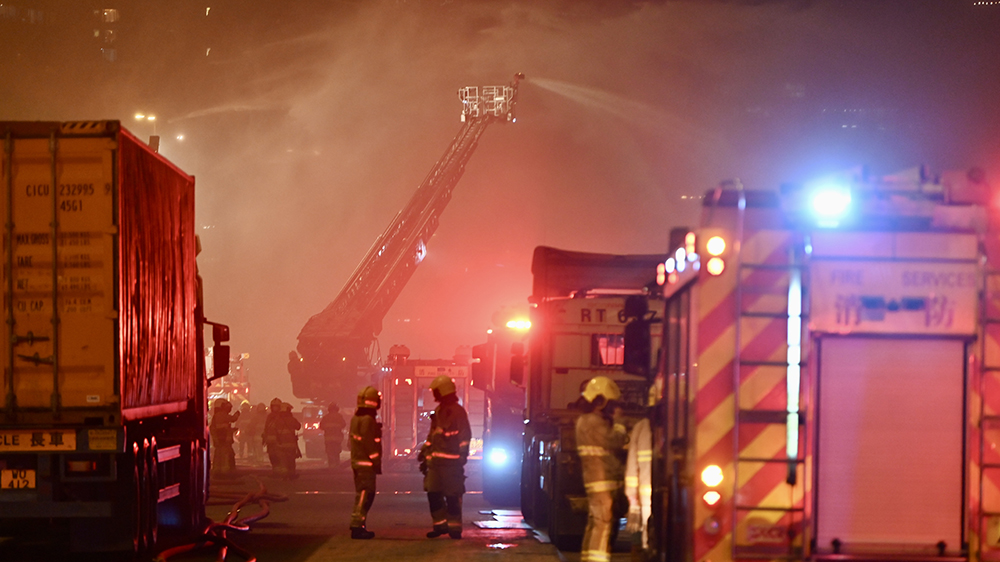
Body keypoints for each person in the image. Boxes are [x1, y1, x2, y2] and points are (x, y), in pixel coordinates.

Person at [576, 376, 628, 562]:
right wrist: (620, 423)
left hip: (600, 484)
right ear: (600, 401)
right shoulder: (592, 422)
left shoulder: (587, 421)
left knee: (597, 525)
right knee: (603, 525)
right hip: (601, 485)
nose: (613, 408)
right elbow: (615, 441)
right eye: (611, 403)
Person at [420, 375, 472, 540]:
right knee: (433, 493)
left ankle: (454, 529)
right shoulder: (438, 411)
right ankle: (439, 525)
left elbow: (465, 436)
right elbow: (433, 436)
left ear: (443, 391)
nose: (434, 395)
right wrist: (424, 453)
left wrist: (462, 457)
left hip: (451, 464)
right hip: (435, 464)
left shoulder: (458, 412)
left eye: (436, 391)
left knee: (452, 496)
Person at [625, 380, 660, 557]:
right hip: (646, 498)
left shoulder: (641, 428)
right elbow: (632, 467)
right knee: (643, 543)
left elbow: (632, 466)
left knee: (646, 541)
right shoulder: (641, 428)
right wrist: (633, 499)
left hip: (654, 498)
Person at [349, 387, 383, 540]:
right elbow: (369, 443)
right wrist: (376, 460)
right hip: (366, 464)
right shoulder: (368, 420)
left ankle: (360, 525)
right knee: (365, 494)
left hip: (358, 462)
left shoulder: (356, 419)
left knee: (362, 493)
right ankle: (357, 525)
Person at [209, 398, 240, 477]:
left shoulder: (216, 416)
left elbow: (221, 428)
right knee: (226, 455)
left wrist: (231, 430)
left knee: (218, 455)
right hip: (225, 440)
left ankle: (216, 471)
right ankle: (225, 472)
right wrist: (237, 414)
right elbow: (232, 419)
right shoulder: (221, 415)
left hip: (219, 440)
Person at [272, 402, 302, 479]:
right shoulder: (292, 419)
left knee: (283, 461)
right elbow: (298, 426)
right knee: (291, 461)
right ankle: (292, 475)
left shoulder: (277, 420)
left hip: (280, 445)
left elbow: (273, 430)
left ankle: (284, 476)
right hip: (291, 445)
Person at [320, 402, 347, 468]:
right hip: (337, 438)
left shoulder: (326, 417)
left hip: (328, 438)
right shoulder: (339, 416)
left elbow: (321, 426)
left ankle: (331, 465)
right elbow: (344, 424)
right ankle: (337, 464)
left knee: (330, 452)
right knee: (336, 452)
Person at [261, 397, 284, 474]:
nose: (275, 408)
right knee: (272, 455)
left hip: (279, 440)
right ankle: (275, 468)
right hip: (270, 441)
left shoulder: (282, 416)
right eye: (274, 406)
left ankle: (280, 468)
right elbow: (266, 427)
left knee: (279, 455)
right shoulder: (269, 416)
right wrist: (264, 438)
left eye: (276, 407)